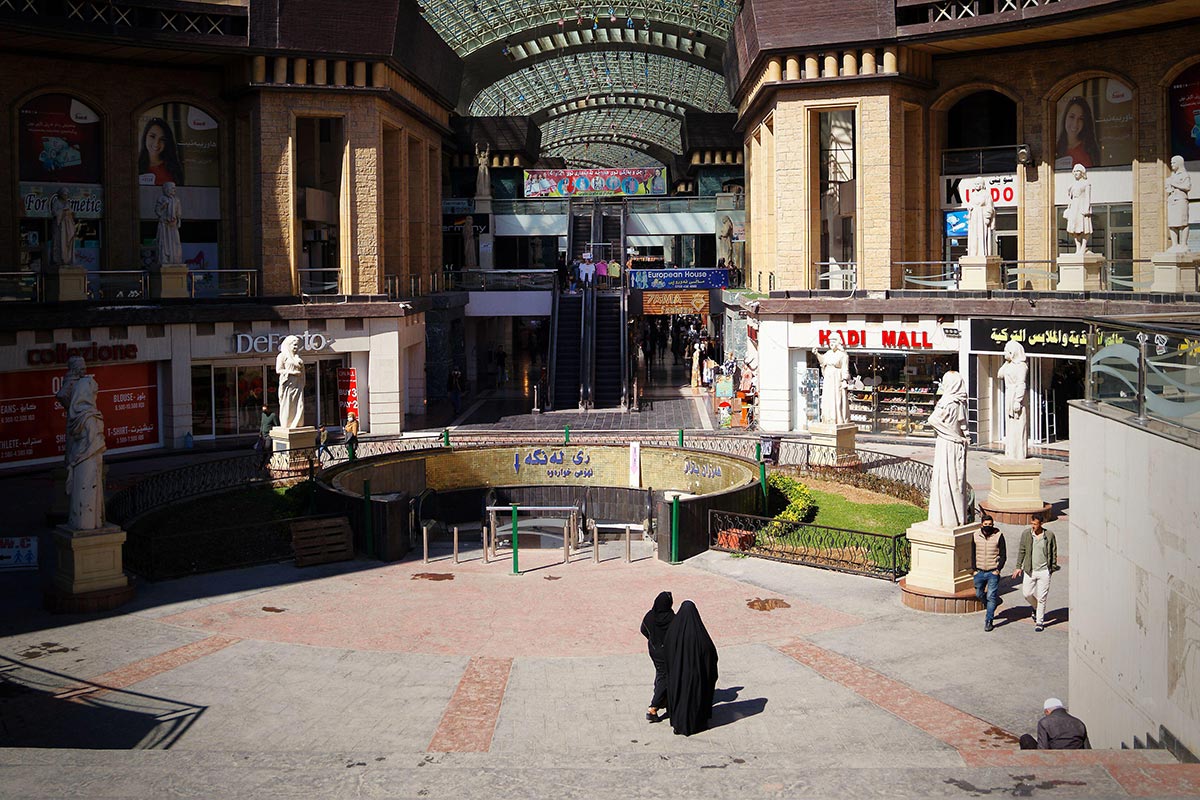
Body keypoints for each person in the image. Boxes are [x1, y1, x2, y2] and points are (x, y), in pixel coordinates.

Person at [664, 600, 718, 736]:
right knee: (695, 697)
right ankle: (696, 723)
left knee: (680, 697)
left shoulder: (673, 631)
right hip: (697, 676)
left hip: (678, 675)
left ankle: (678, 724)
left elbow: (667, 651)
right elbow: (711, 654)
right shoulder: (701, 635)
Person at [64, 364, 106, 531]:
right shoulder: (89, 416)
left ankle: (82, 522)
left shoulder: (76, 415)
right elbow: (95, 442)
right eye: (95, 393)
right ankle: (87, 524)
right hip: (88, 461)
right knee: (87, 493)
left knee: (80, 495)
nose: (95, 397)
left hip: (78, 459)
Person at [926, 371, 970, 528]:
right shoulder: (956, 402)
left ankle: (946, 517)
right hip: (952, 443)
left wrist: (951, 435)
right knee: (954, 480)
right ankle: (956, 517)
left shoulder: (948, 402)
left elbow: (933, 420)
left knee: (948, 479)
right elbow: (935, 420)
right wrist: (955, 436)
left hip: (947, 444)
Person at [1013, 512, 1059, 632]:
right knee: (1027, 594)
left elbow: (1053, 552)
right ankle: (1035, 607)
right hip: (1030, 570)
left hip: (1044, 571)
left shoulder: (1049, 535)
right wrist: (1018, 566)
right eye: (1032, 523)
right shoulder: (1027, 534)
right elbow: (1021, 550)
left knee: (1042, 597)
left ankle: (1039, 621)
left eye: (1036, 524)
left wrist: (1052, 568)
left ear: (1041, 524)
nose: (1033, 526)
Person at [640, 591, 675, 723]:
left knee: (660, 674)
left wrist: (653, 640)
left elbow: (643, 630)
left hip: (654, 651)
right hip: (667, 653)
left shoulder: (649, 616)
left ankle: (662, 697)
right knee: (665, 677)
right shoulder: (672, 618)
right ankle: (653, 708)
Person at [972, 514, 1007, 632]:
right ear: (982, 524)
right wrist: (974, 570)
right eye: (986, 524)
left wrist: (998, 570)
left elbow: (1003, 555)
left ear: (993, 525)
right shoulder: (975, 535)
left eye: (990, 525)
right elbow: (972, 552)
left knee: (991, 596)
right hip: (979, 571)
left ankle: (989, 620)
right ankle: (990, 607)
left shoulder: (999, 536)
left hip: (993, 572)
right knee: (978, 594)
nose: (988, 526)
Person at [1019, 699, 1090, 750]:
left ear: (1047, 711)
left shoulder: (1045, 722)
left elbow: (1042, 748)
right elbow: (1088, 748)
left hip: (1054, 759)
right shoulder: (1078, 723)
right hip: (1076, 758)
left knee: (1025, 738)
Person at [999, 340, 1029, 461]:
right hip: (1009, 395)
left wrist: (1018, 401)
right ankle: (1010, 451)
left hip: (1016, 396)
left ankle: (1019, 453)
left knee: (1018, 426)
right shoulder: (1009, 365)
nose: (1004, 353)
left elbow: (1021, 384)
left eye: (1006, 351)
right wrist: (1007, 362)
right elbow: (1000, 374)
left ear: (1012, 352)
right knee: (1010, 426)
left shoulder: (1022, 366)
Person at [138, 117, 185, 186]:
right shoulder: (135, 165)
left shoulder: (173, 168)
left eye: (162, 139)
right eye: (152, 136)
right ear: (145, 137)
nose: (156, 143)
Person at [1055, 96, 1099, 170]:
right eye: (1072, 117)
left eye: (1080, 119)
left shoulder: (1090, 149)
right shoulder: (1055, 149)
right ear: (1065, 117)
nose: (1075, 124)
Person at [816, 340, 850, 424]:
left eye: (834, 342)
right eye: (830, 342)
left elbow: (845, 368)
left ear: (838, 343)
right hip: (828, 378)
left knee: (837, 398)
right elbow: (823, 361)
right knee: (828, 397)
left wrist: (844, 380)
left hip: (837, 378)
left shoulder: (843, 355)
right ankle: (828, 418)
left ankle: (837, 418)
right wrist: (816, 353)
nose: (831, 343)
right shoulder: (828, 353)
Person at [275, 335, 305, 429]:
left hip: (298, 384)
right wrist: (292, 373)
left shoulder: (297, 357)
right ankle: (287, 423)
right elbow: (278, 370)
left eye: (297, 345)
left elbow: (302, 370)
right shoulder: (282, 356)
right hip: (288, 384)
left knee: (299, 404)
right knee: (287, 404)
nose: (296, 347)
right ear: (288, 345)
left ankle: (297, 422)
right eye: (294, 345)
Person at [1064, 164, 1093, 254]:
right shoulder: (1072, 185)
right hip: (1074, 206)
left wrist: (1087, 208)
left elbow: (1088, 197)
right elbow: (1070, 198)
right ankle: (1078, 246)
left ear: (1082, 173)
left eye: (1078, 171)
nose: (1076, 173)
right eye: (1075, 171)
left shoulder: (1086, 183)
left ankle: (1084, 245)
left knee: (1085, 227)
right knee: (1073, 227)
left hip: (1082, 205)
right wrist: (1068, 208)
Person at [1166, 155, 1192, 251]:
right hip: (1172, 200)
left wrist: (1174, 184)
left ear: (1179, 163)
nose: (1172, 164)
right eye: (1171, 162)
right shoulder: (1172, 176)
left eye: (1174, 162)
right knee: (1172, 224)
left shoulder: (1184, 175)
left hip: (1181, 199)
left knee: (1183, 223)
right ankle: (1174, 245)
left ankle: (1183, 244)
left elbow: (1187, 187)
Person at [965, 177, 995, 258]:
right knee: (974, 236)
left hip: (982, 217)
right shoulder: (972, 194)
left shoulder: (986, 194)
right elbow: (970, 204)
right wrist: (970, 208)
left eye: (978, 184)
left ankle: (982, 252)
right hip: (974, 217)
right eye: (975, 184)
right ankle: (973, 253)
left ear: (982, 185)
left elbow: (990, 206)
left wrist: (987, 217)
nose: (976, 185)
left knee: (982, 234)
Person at [155, 182, 183, 266]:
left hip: (173, 226)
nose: (174, 190)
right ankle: (165, 258)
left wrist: (177, 219)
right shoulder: (161, 199)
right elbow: (157, 211)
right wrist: (164, 205)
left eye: (175, 188)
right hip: (164, 225)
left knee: (175, 242)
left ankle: (175, 259)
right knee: (164, 243)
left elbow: (179, 213)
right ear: (167, 189)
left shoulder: (177, 200)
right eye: (172, 188)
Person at [50, 188, 77, 267]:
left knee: (67, 243)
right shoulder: (56, 202)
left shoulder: (67, 203)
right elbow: (54, 213)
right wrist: (63, 212)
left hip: (67, 227)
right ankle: (58, 260)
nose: (65, 196)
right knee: (58, 243)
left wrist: (71, 213)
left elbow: (71, 213)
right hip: (59, 227)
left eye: (66, 195)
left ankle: (68, 259)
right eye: (64, 194)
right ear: (61, 195)